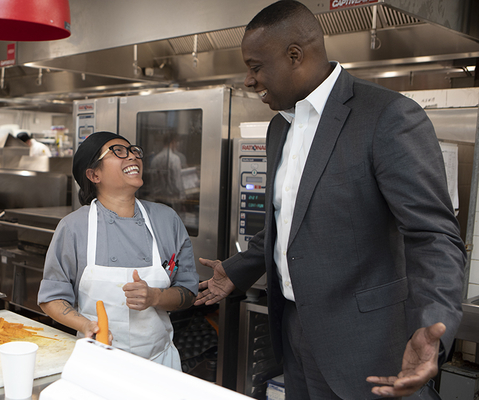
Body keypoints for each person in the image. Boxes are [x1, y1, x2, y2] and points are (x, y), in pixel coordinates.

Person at [195, 1, 465, 399]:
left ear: (294, 56)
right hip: (295, 334)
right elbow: (284, 224)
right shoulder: (278, 128)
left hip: (368, 346)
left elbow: (434, 235)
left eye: (255, 66)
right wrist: (236, 271)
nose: (249, 81)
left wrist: (433, 324)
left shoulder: (387, 116)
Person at [38, 131, 198, 370]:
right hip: (97, 364)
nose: (132, 156)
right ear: (94, 174)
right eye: (118, 152)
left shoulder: (167, 220)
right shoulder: (74, 227)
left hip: (160, 366)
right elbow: (51, 298)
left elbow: (188, 291)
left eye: (134, 151)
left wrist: (156, 297)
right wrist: (85, 325)